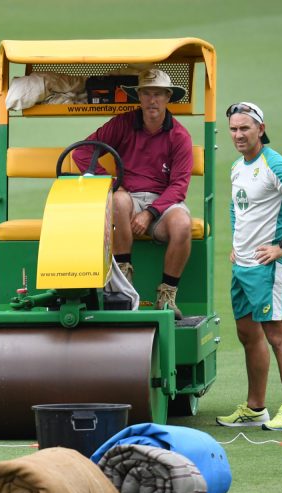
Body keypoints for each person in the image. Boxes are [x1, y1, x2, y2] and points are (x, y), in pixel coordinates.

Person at [216, 102, 282, 431]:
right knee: (248, 334)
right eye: (233, 129)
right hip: (242, 266)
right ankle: (256, 407)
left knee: (278, 336)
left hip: (268, 267)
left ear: (261, 128)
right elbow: (236, 208)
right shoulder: (237, 167)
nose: (238, 134)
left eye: (245, 128)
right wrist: (236, 244)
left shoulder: (275, 165)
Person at [72, 68, 195, 319]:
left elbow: (179, 186)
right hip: (128, 201)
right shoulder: (123, 123)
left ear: (167, 97)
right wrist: (115, 183)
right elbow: (81, 152)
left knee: (183, 224)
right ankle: (122, 285)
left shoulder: (180, 136)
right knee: (117, 199)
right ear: (139, 96)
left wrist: (150, 213)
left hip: (162, 206)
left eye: (158, 94)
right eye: (147, 93)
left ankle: (166, 296)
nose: (152, 100)